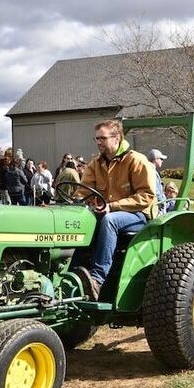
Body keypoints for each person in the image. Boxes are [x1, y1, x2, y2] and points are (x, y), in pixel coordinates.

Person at [76, 119, 157, 300]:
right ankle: (73, 272)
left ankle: (97, 279)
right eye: (96, 139)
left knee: (110, 220)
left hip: (137, 215)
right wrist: (78, 202)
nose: (98, 142)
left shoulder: (136, 160)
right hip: (106, 211)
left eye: (102, 138)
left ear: (116, 138)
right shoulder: (96, 164)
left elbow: (146, 196)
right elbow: (83, 191)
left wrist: (112, 206)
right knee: (81, 221)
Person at [146, 148, 168, 214]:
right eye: (161, 159)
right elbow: (155, 190)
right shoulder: (151, 171)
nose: (162, 161)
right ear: (155, 159)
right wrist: (162, 202)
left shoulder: (149, 169)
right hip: (157, 206)